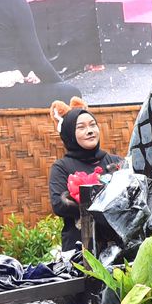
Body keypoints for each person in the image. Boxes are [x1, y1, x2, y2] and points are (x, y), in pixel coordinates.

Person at [48, 104, 124, 251]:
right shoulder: (62, 167)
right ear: (69, 133)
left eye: (92, 125)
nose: (89, 131)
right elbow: (59, 205)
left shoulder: (116, 163)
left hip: (117, 245)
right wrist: (95, 198)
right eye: (81, 127)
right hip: (80, 249)